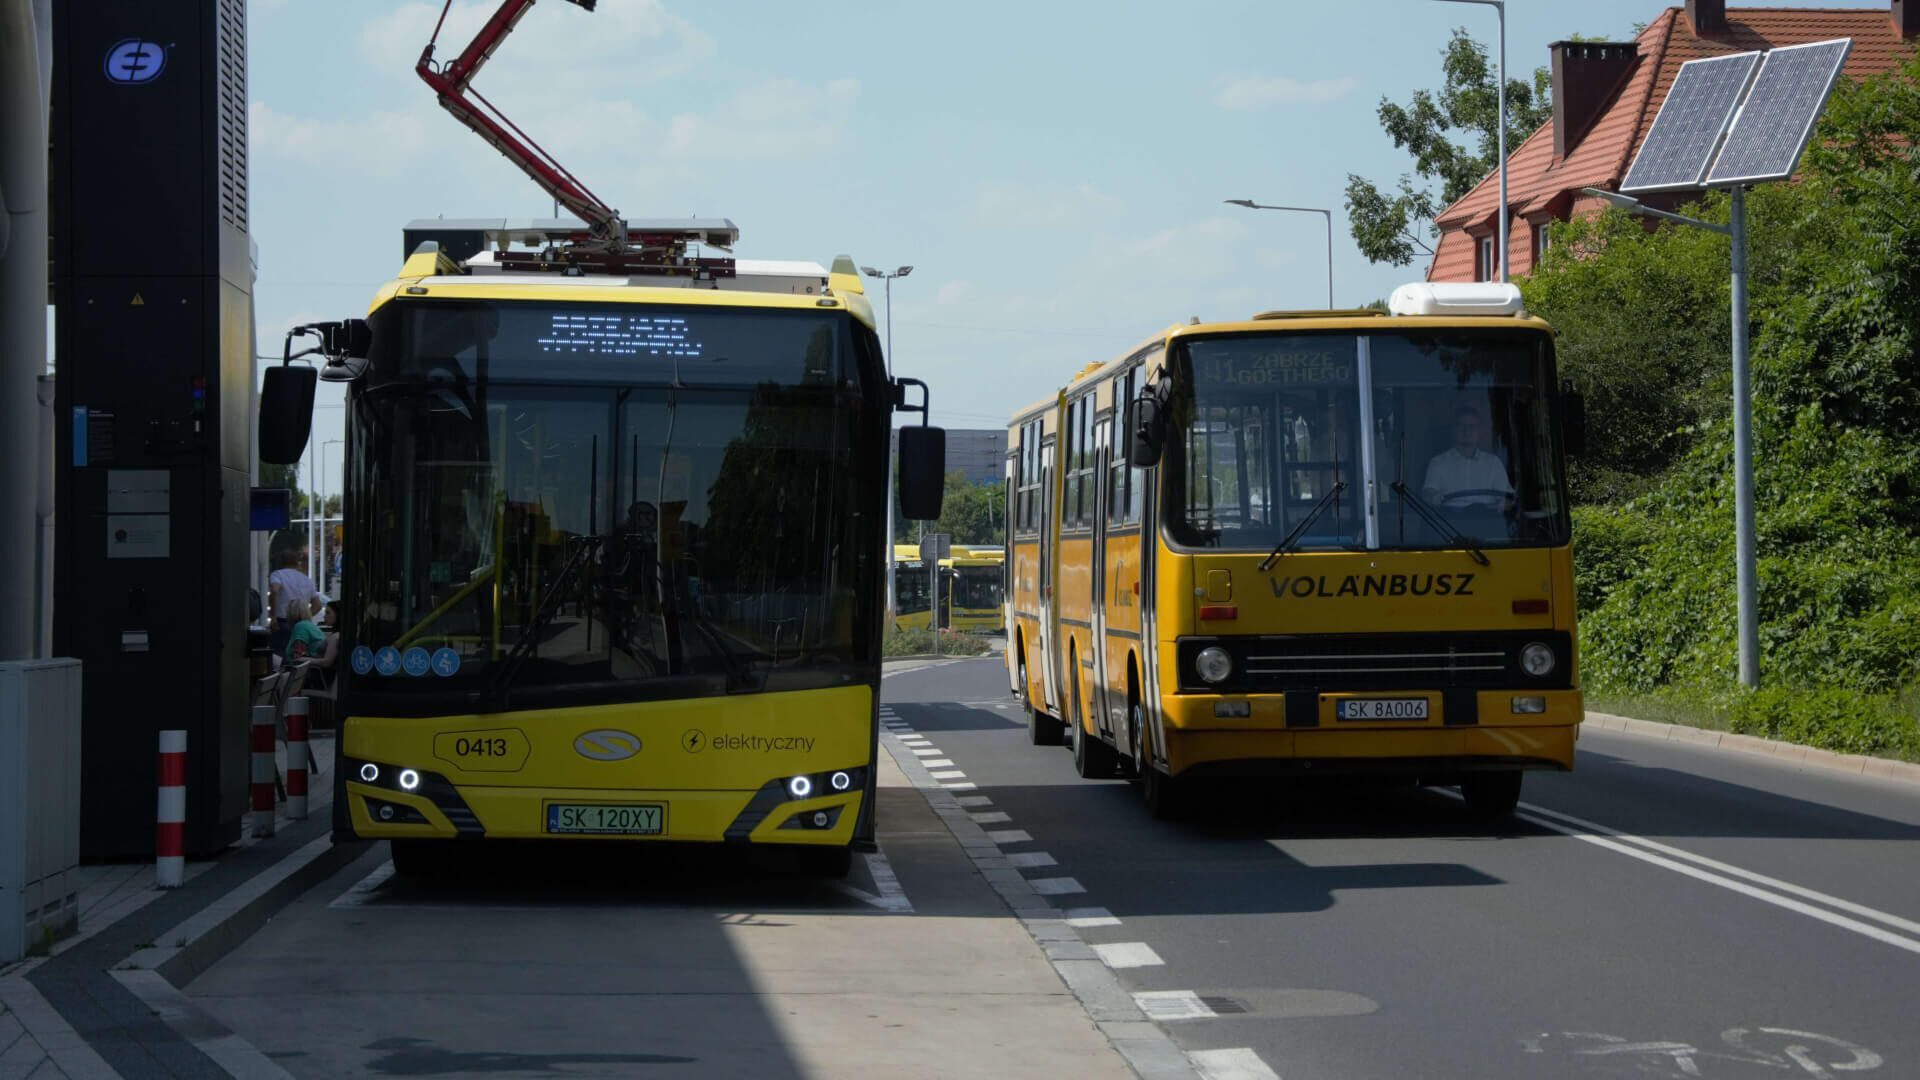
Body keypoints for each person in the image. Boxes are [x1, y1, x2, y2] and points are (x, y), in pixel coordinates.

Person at [1421, 406, 1511, 510]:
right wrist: (1432, 498)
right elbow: (1428, 494)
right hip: (1447, 522)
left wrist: (1502, 505)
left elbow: (1509, 499)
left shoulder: (1493, 463)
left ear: (1479, 431)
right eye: (1461, 425)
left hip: (1486, 521)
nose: (1467, 430)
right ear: (1453, 429)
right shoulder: (1438, 462)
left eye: (1472, 426)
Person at [267, 549, 318, 657]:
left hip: (282, 623)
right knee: (297, 656)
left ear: (280, 562)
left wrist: (273, 617)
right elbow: (317, 605)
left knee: (278, 657)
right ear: (296, 563)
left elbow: (275, 590)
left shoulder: (277, 575)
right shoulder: (307, 580)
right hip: (303, 625)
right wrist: (305, 616)